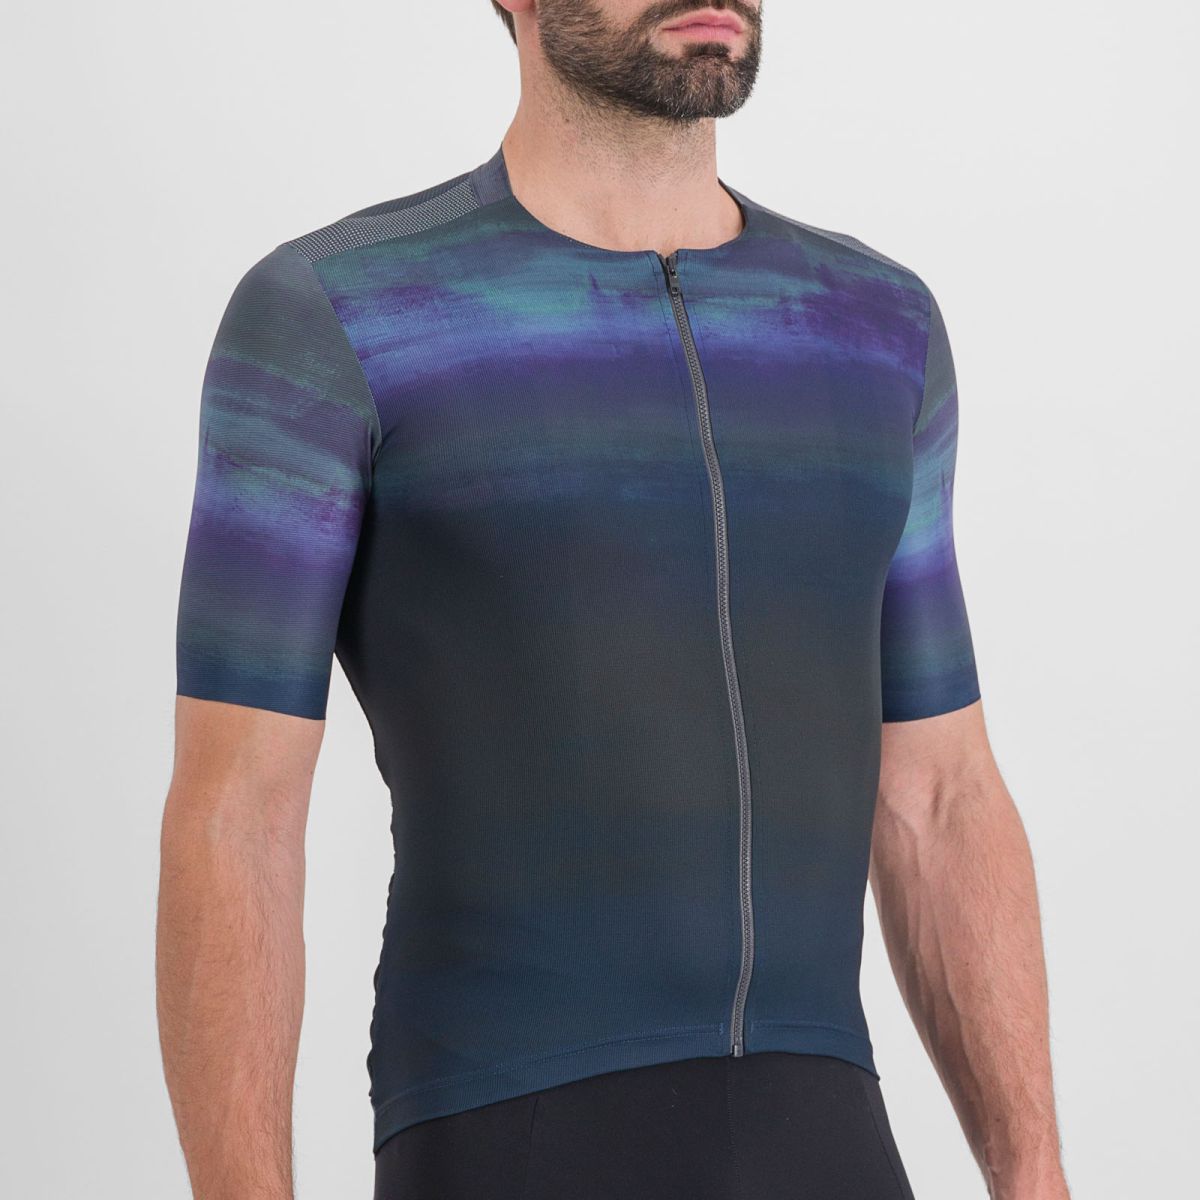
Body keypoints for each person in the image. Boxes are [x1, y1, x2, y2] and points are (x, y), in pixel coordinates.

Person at [156, 2, 1071, 1197]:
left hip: (828, 1140)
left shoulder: (876, 327)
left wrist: (1035, 1173)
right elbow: (237, 813)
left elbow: (942, 791)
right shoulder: (340, 315)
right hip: (510, 1140)